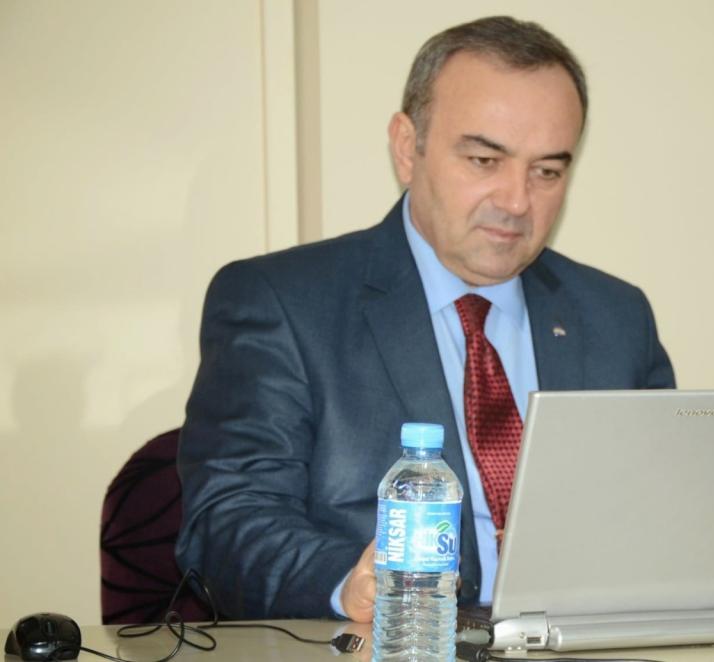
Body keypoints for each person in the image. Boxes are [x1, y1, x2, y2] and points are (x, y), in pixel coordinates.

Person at [175, 15, 675, 623]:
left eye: (547, 171)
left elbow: (663, 515)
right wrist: (349, 582)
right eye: (485, 160)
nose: (517, 201)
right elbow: (228, 524)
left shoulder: (617, 317)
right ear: (406, 147)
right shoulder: (281, 303)